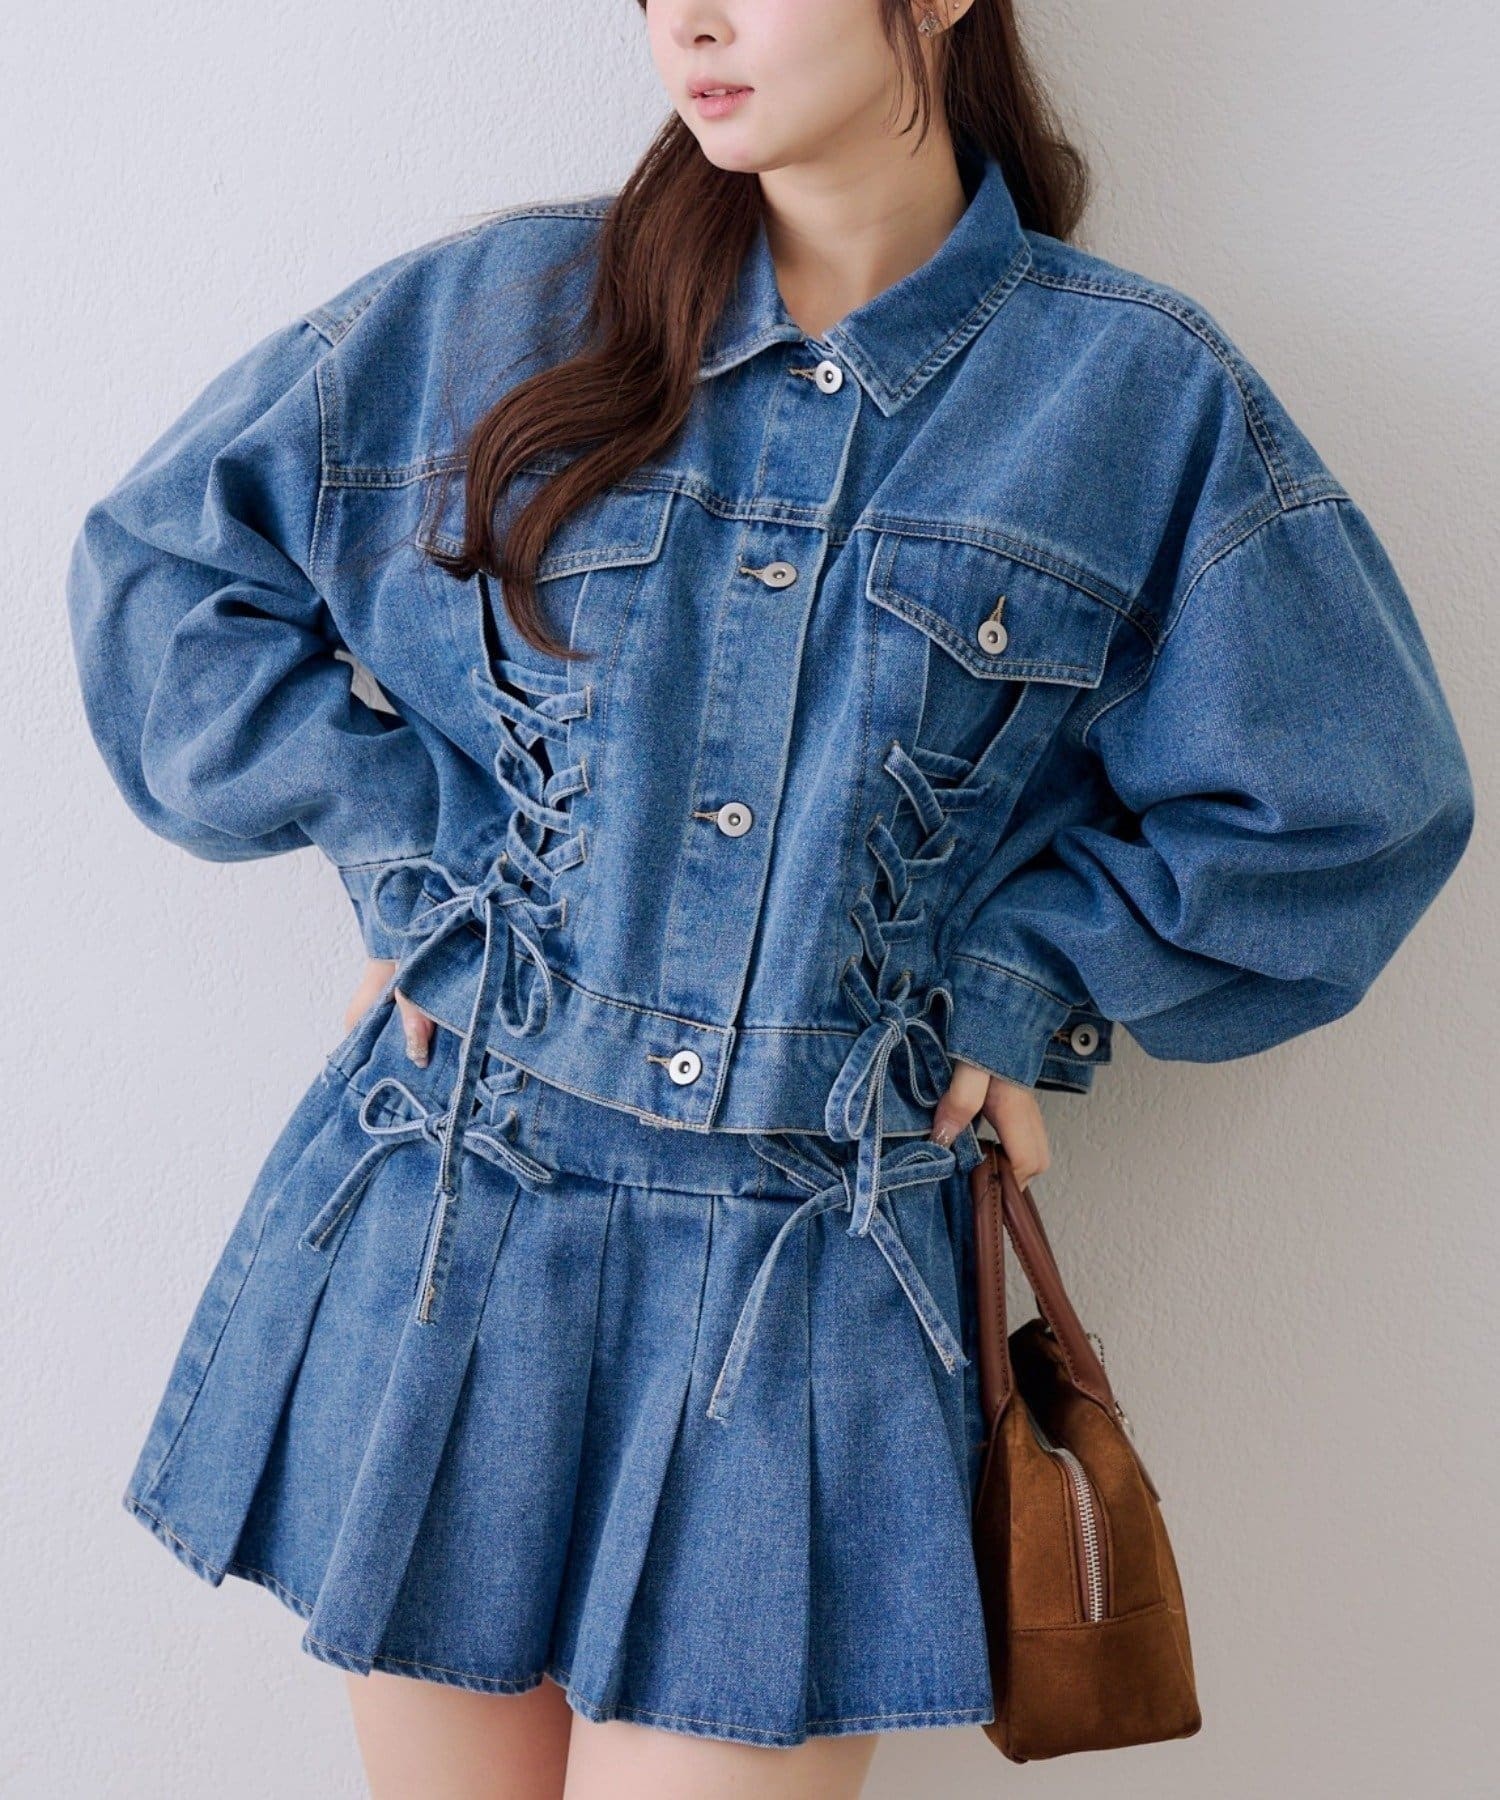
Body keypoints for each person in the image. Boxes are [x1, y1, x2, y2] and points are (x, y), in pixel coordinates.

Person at [64, 2, 1474, 1796]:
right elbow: (165, 572)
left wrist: (1024, 984)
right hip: (455, 1212)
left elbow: (1350, 809)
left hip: (807, 1274)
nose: (694, 20)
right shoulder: (497, 316)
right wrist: (418, 874)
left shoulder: (1133, 402)